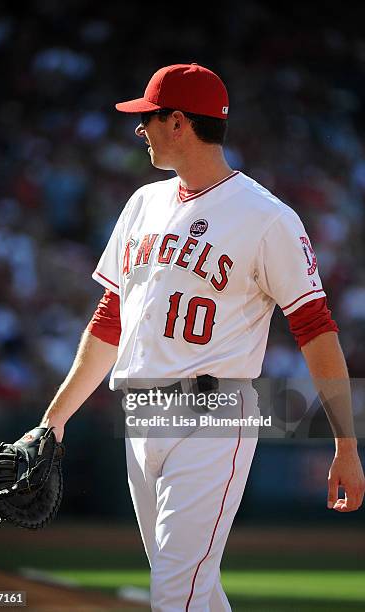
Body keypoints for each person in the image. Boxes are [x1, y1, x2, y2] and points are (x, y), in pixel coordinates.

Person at [41, 63, 365, 611]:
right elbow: (109, 322)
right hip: (141, 412)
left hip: (214, 415)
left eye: (148, 118)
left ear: (179, 123)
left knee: (174, 590)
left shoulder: (267, 218)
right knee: (194, 588)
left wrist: (346, 444)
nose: (139, 129)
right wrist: (53, 419)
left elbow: (315, 328)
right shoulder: (142, 204)